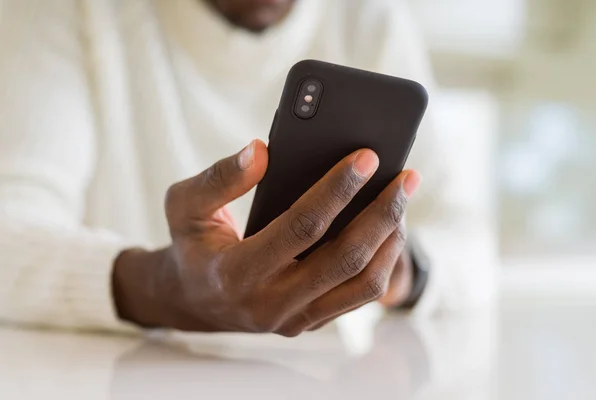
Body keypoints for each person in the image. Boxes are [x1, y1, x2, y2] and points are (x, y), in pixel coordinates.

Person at [0, 0, 497, 334]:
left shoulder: (367, 16)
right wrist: (166, 288)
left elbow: (473, 248)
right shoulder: (64, 13)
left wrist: (401, 271)